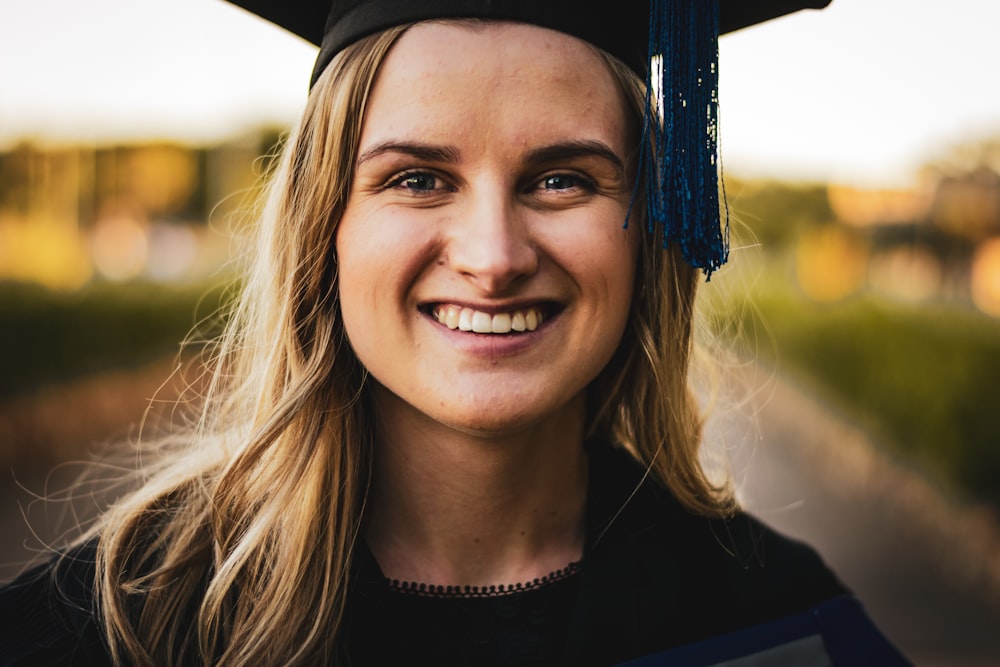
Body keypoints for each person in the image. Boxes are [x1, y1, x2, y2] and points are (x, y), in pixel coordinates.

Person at [1, 1, 911, 665]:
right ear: (326, 227)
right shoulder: (115, 627)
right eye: (418, 179)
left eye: (562, 179)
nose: (494, 255)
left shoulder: (783, 626)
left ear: (651, 233)